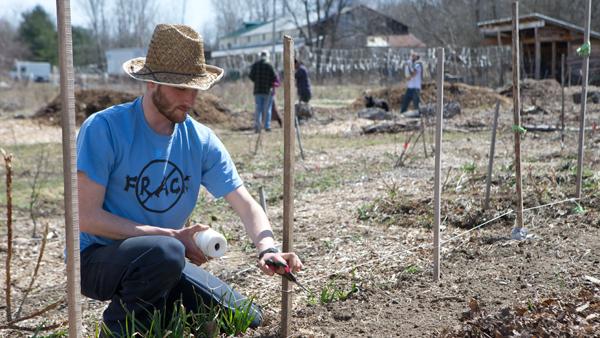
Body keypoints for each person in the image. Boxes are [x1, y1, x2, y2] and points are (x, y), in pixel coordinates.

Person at [75, 24, 302, 336]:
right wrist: (172, 236)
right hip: (96, 259)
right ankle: (117, 330)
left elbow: (246, 204)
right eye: (181, 88)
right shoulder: (105, 128)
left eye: (195, 88)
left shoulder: (200, 139)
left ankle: (159, 308)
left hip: (162, 260)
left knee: (247, 317)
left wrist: (267, 248)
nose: (191, 99)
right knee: (165, 251)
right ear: (152, 82)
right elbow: (86, 218)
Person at [249, 50, 277, 132]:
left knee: (258, 109)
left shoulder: (255, 65)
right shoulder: (269, 65)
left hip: (257, 90)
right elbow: (275, 77)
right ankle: (267, 126)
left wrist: (257, 81)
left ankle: (257, 127)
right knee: (267, 109)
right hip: (267, 91)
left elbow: (251, 76)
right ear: (267, 56)